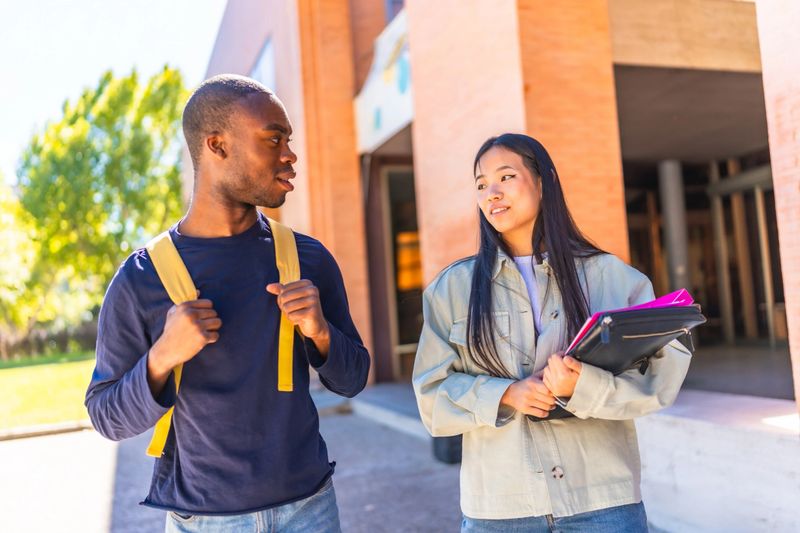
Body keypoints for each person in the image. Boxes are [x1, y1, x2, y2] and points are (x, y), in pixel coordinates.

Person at [85, 74, 370, 532]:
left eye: (288, 140)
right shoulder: (142, 278)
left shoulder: (308, 258)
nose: (290, 154)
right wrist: (162, 358)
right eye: (273, 139)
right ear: (216, 145)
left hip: (310, 511)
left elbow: (354, 378)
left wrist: (320, 334)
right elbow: (106, 416)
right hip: (205, 522)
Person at [412, 133, 692, 532]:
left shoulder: (610, 276)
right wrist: (507, 394)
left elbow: (661, 376)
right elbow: (430, 397)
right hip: (500, 509)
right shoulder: (452, 290)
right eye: (480, 184)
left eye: (506, 177)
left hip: (603, 502)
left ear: (543, 183)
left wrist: (584, 385)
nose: (491, 192)